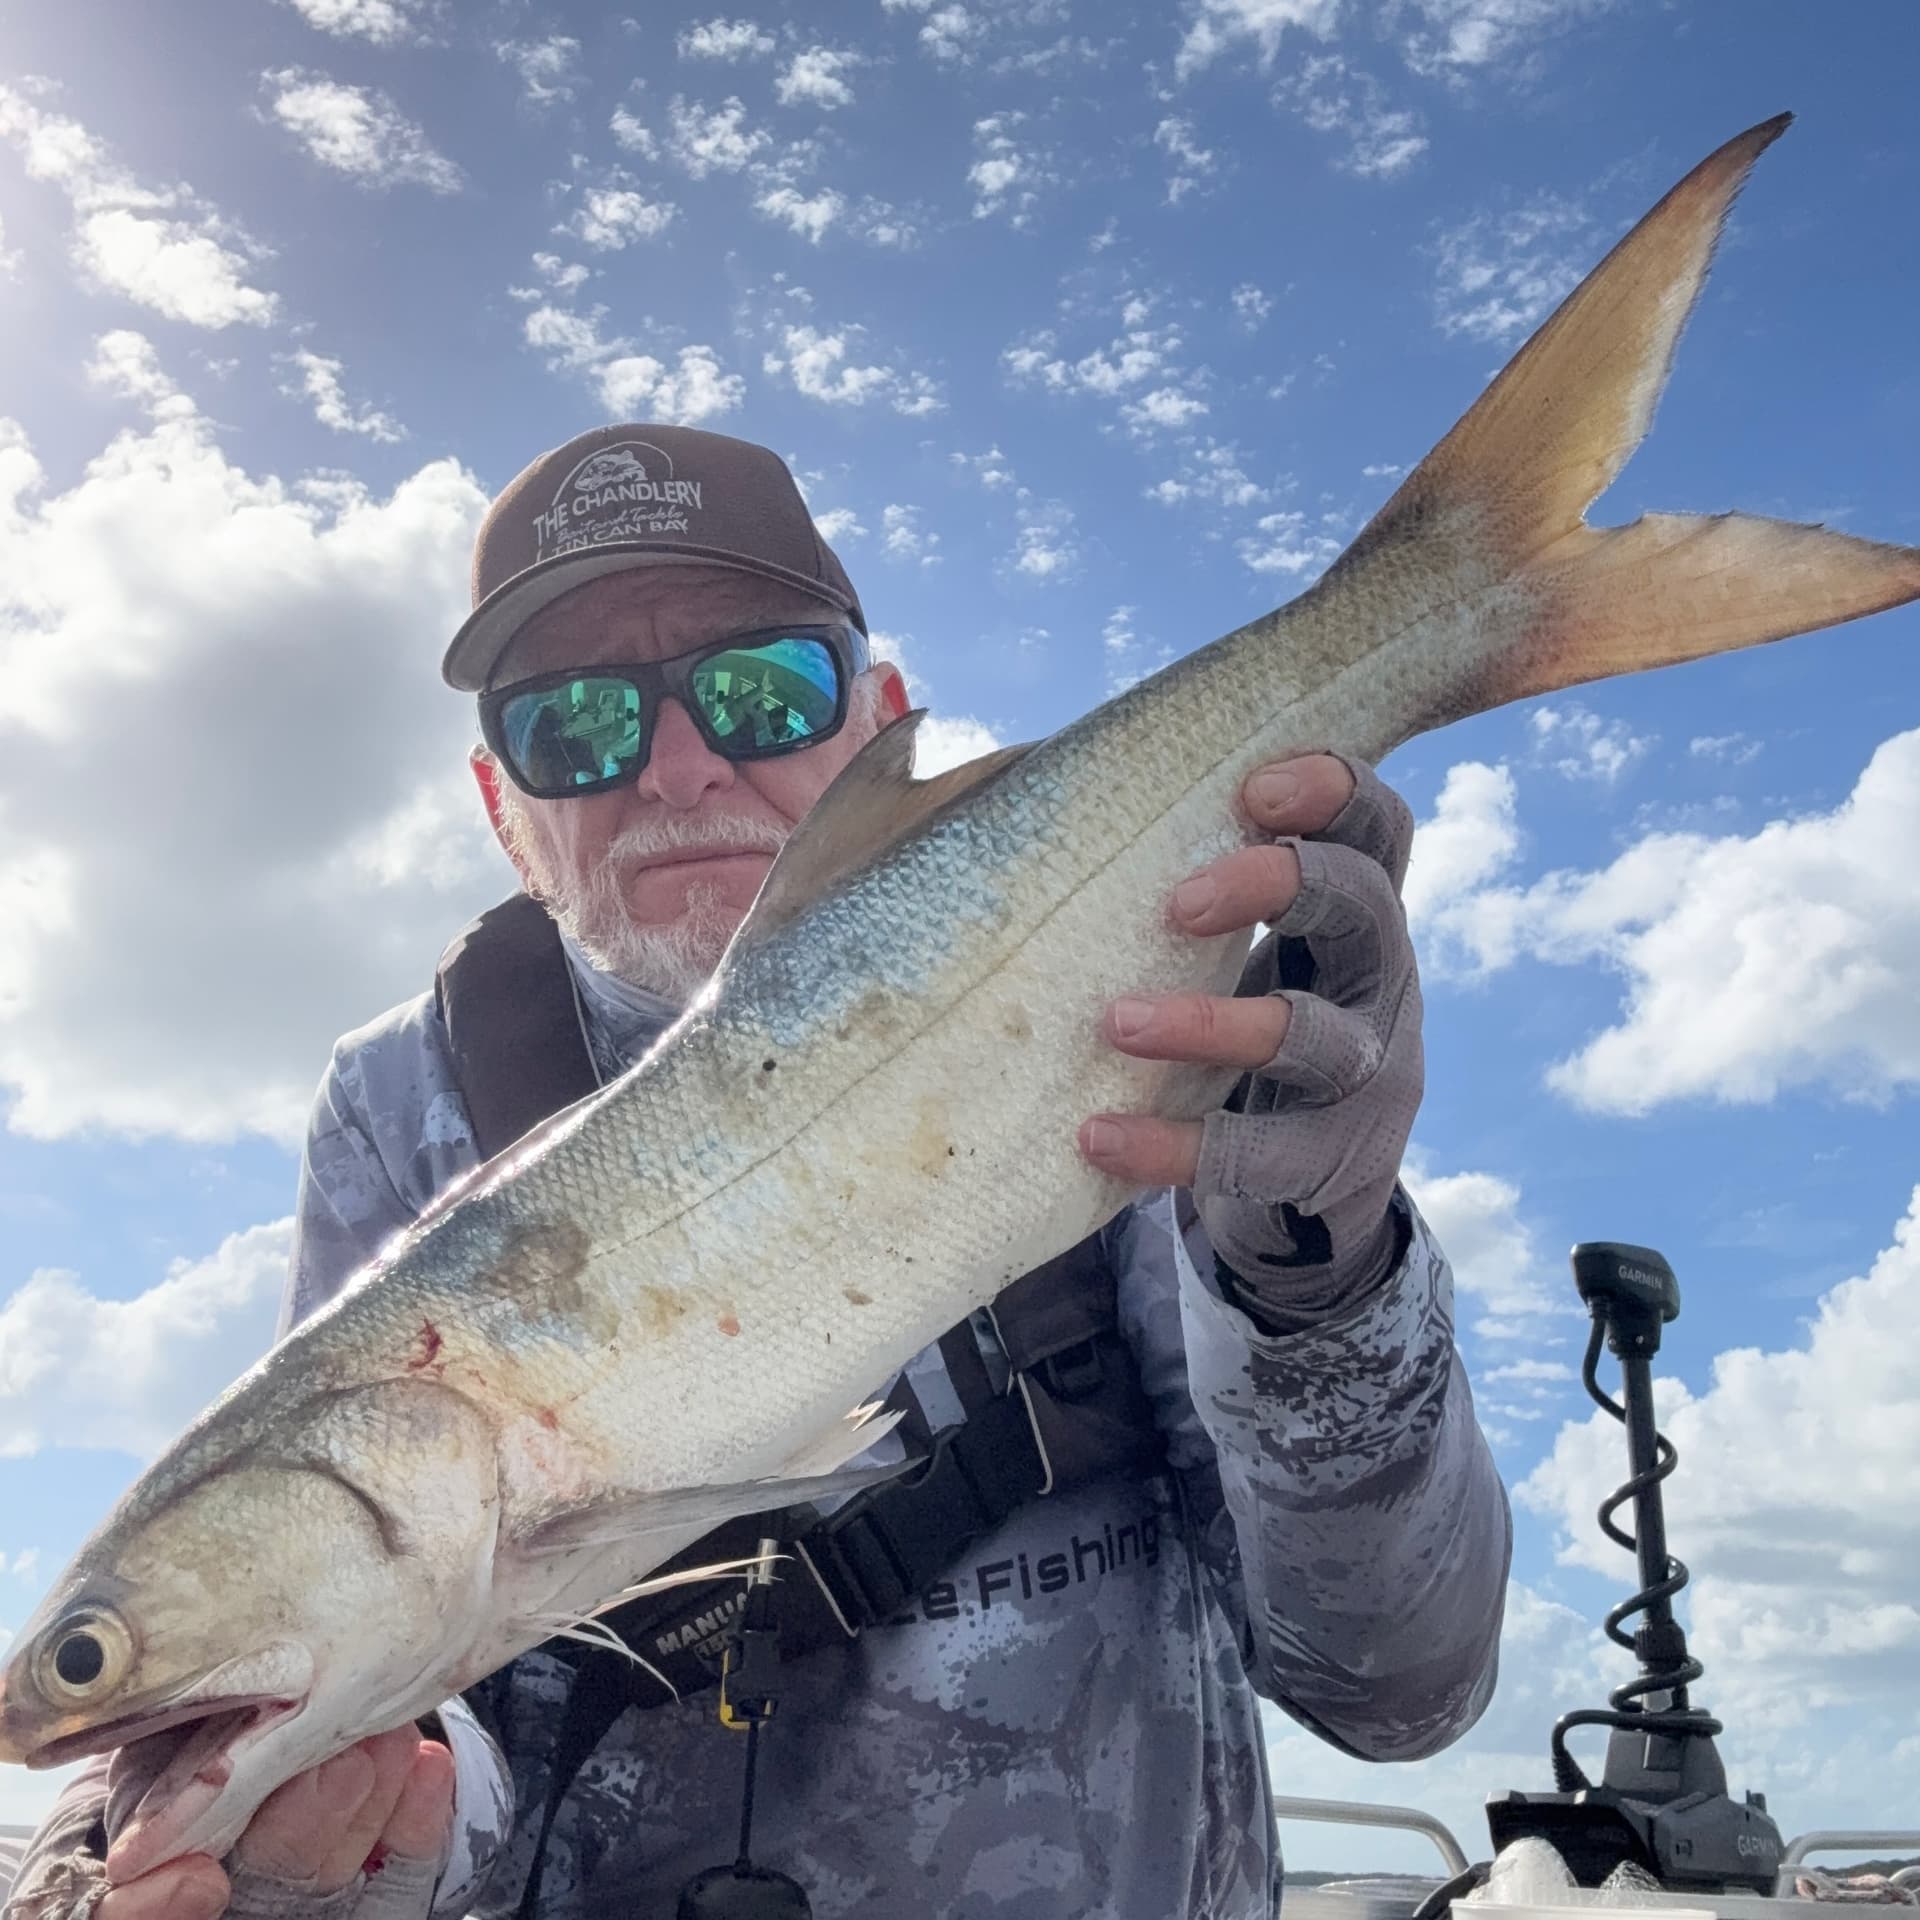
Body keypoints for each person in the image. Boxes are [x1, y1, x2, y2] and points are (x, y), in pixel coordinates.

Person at [4, 424, 1511, 1920]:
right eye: (572, 725)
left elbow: (1394, 1688)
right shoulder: (408, 1100)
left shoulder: (1134, 1003)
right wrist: (325, 1855)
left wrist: (1325, 1291)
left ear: (881, 721)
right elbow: (435, 1728)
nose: (676, 766)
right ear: (502, 810)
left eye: (763, 689)